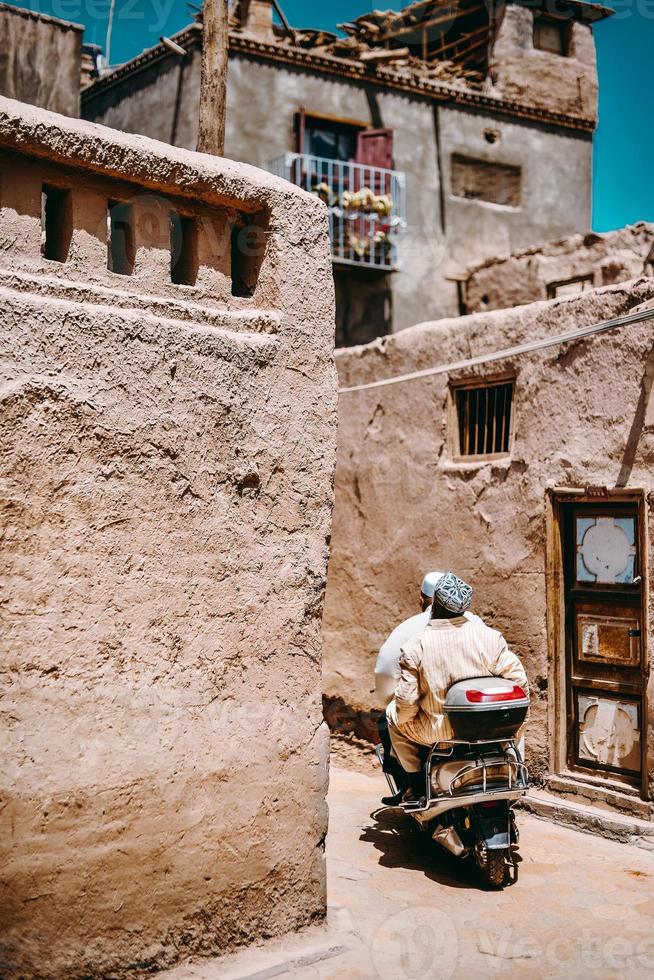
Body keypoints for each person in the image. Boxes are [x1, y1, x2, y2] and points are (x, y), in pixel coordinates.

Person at [387, 572, 528, 803]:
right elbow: (520, 682)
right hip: (489, 729)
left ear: (433, 604)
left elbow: (406, 704)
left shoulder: (416, 646)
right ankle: (514, 766)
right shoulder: (490, 638)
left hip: (438, 733)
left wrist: (403, 717)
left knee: (392, 717)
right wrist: (516, 728)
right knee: (518, 725)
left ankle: (415, 785)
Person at [375, 571, 482, 805]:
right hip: (480, 724)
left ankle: (413, 786)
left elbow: (387, 675)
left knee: (392, 718)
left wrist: (395, 708)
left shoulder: (414, 638)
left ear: (427, 601)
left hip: (436, 727)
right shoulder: (485, 632)